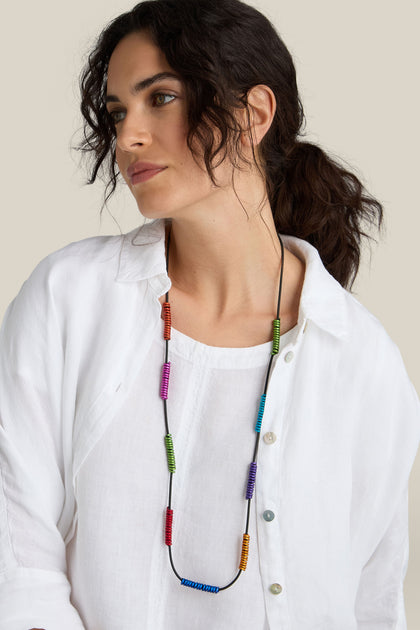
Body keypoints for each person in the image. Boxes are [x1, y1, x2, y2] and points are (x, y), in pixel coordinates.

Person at [0, 0, 419, 628]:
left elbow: (371, 600)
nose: (127, 137)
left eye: (160, 98)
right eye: (118, 112)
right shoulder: (72, 299)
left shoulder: (362, 358)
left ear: (253, 115)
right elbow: (17, 560)